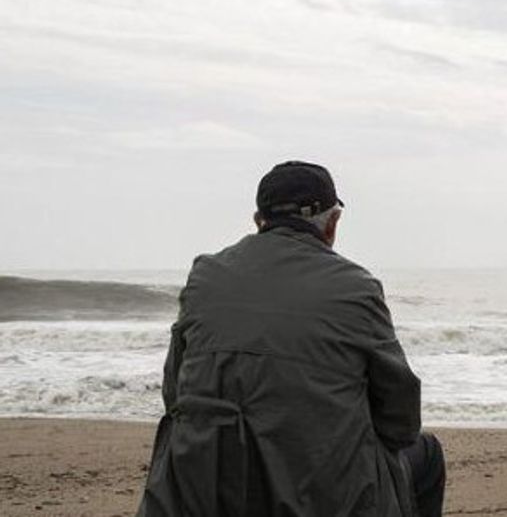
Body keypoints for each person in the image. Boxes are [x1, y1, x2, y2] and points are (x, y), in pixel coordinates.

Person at [138, 161, 445, 517]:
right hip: (321, 494)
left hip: (203, 489)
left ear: (258, 221)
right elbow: (401, 419)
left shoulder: (205, 276)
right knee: (427, 455)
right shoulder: (356, 287)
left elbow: (174, 393)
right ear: (332, 223)